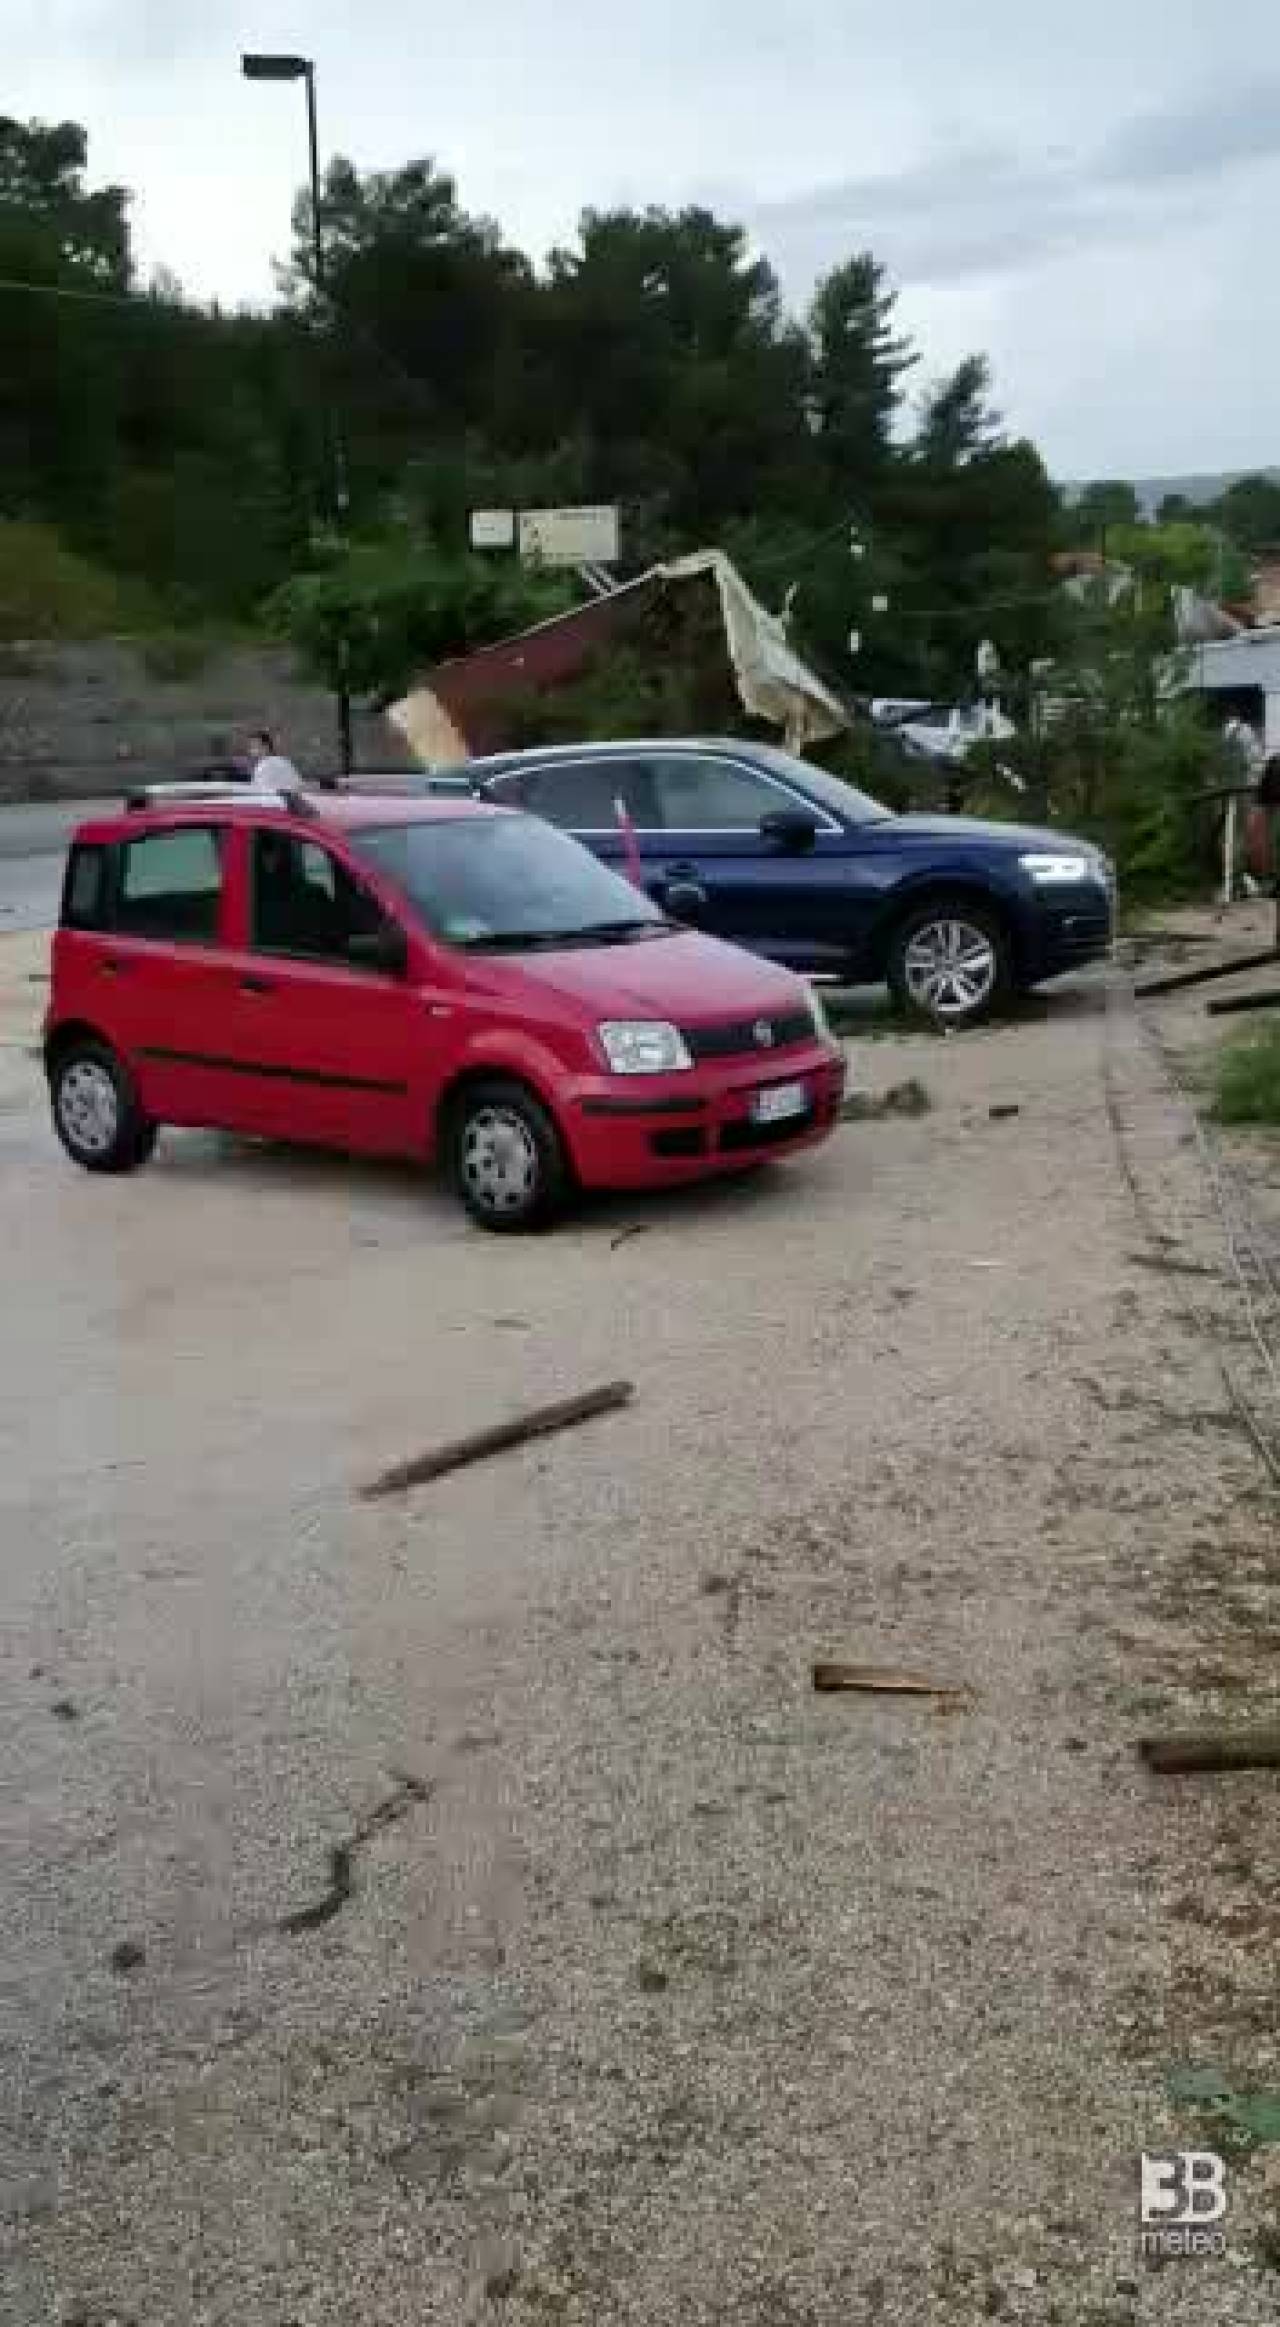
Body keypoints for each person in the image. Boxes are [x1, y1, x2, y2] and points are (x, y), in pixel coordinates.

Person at [246, 729, 302, 793]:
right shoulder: (285, 762)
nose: (250, 750)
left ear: (265, 747)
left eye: (254, 746)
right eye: (251, 747)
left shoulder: (263, 766)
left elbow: (258, 791)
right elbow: (298, 785)